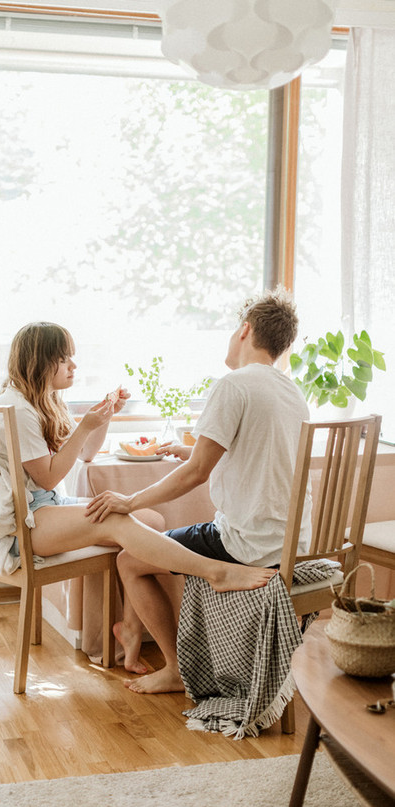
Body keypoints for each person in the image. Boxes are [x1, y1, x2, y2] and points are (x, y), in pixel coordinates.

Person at [0, 322, 275, 668]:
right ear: (39, 361)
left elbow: (86, 457)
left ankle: (131, 630)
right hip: (27, 525)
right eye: (64, 359)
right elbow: (49, 478)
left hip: (47, 508)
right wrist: (84, 427)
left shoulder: (41, 403)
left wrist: (104, 419)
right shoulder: (18, 409)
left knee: (151, 519)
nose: (73, 367)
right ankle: (214, 572)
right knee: (116, 519)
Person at [85, 290, 311, 694]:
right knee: (167, 544)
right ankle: (131, 634)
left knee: (131, 560)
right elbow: (258, 455)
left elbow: (195, 475)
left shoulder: (234, 385)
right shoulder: (291, 391)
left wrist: (130, 501)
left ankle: (175, 668)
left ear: (245, 330)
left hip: (249, 545)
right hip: (296, 541)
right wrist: (192, 450)